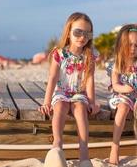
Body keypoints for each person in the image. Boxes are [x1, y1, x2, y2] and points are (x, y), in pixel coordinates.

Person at [39, 12, 98, 164]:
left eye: (87, 33)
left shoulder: (89, 56)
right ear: (69, 32)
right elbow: (52, 78)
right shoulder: (59, 54)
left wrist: (92, 102)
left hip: (79, 93)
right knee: (59, 107)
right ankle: (57, 146)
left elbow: (90, 79)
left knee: (80, 109)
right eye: (78, 32)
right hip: (61, 92)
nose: (82, 37)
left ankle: (84, 152)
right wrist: (46, 102)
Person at [107, 24, 137, 165]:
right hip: (121, 96)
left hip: (136, 97)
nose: (133, 49)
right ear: (121, 45)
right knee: (122, 108)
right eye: (129, 45)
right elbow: (115, 85)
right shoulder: (117, 64)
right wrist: (125, 89)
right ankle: (115, 147)